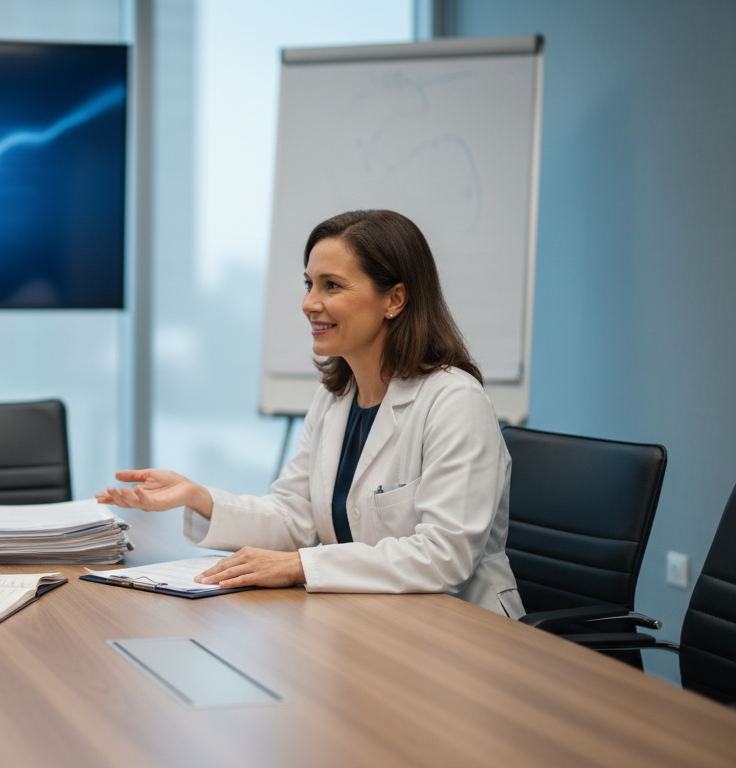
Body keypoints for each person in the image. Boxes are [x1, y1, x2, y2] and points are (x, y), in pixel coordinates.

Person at [97, 209, 523, 618]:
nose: (309, 303)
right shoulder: (334, 397)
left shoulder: (454, 401)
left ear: (394, 299)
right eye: (309, 284)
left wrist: (301, 566)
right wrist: (198, 497)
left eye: (332, 286)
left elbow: (444, 556)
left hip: (463, 633)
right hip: (372, 619)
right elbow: (296, 517)